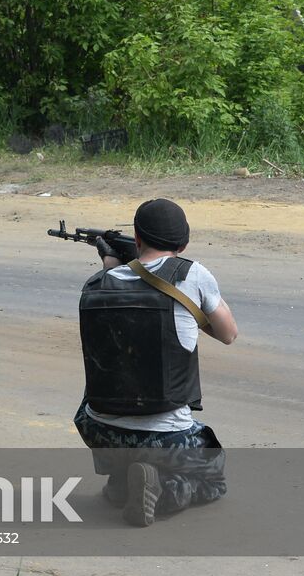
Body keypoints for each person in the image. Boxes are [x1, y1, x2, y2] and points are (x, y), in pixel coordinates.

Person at [75, 198, 238, 527]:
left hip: (98, 430)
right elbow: (228, 333)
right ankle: (162, 488)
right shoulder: (192, 275)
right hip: (166, 438)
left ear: (136, 239)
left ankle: (122, 481)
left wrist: (111, 261)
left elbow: (121, 296)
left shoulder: (96, 284)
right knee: (214, 476)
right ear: (184, 243)